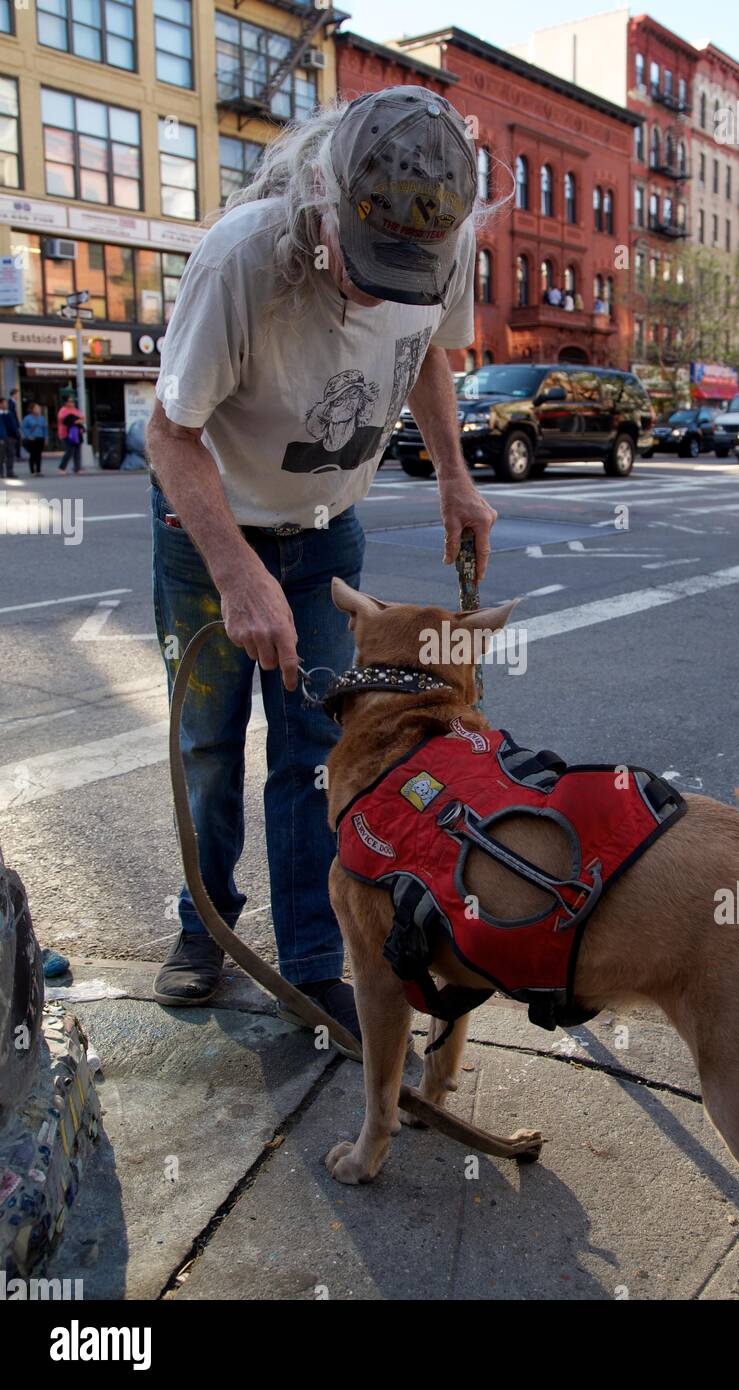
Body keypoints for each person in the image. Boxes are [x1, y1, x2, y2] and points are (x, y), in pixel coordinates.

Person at [146, 88, 497, 1032]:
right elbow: (169, 434)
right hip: (211, 528)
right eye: (367, 264)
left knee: (313, 748)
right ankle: (205, 926)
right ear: (322, 198)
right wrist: (236, 572)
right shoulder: (242, 259)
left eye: (407, 274)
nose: (383, 291)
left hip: (326, 525)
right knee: (209, 744)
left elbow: (427, 356)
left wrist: (454, 478)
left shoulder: (447, 238)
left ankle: (310, 958)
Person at [56, 395, 85, 474]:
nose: (72, 403)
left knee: (77, 451)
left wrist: (78, 422)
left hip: (77, 433)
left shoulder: (75, 410)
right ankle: (62, 468)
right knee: (69, 451)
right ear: (66, 402)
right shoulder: (63, 411)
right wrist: (76, 421)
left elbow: (82, 419)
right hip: (66, 434)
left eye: (72, 401)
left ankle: (77, 468)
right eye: (70, 401)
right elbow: (66, 421)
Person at [22, 403, 49, 476]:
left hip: (40, 437)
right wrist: (28, 436)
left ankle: (38, 470)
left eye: (38, 408)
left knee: (39, 454)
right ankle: (32, 471)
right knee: (33, 454)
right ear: (32, 409)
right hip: (32, 439)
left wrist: (46, 437)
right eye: (36, 408)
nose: (38, 409)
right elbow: (24, 428)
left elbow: (45, 428)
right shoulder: (27, 418)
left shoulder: (42, 418)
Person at [0, 398, 17, 478]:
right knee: (1, 456)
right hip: (1, 438)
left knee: (11, 455)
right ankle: (1, 472)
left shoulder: (10, 413)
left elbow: (14, 424)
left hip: (11, 437)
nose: (7, 405)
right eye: (5, 403)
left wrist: (16, 435)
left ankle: (10, 472)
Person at [8, 387, 23, 461]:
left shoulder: (13, 402)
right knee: (16, 439)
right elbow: (11, 415)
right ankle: (17, 456)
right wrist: (15, 426)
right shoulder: (10, 403)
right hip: (12, 425)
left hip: (15, 425)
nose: (18, 396)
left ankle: (17, 455)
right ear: (13, 394)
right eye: (17, 394)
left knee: (16, 440)